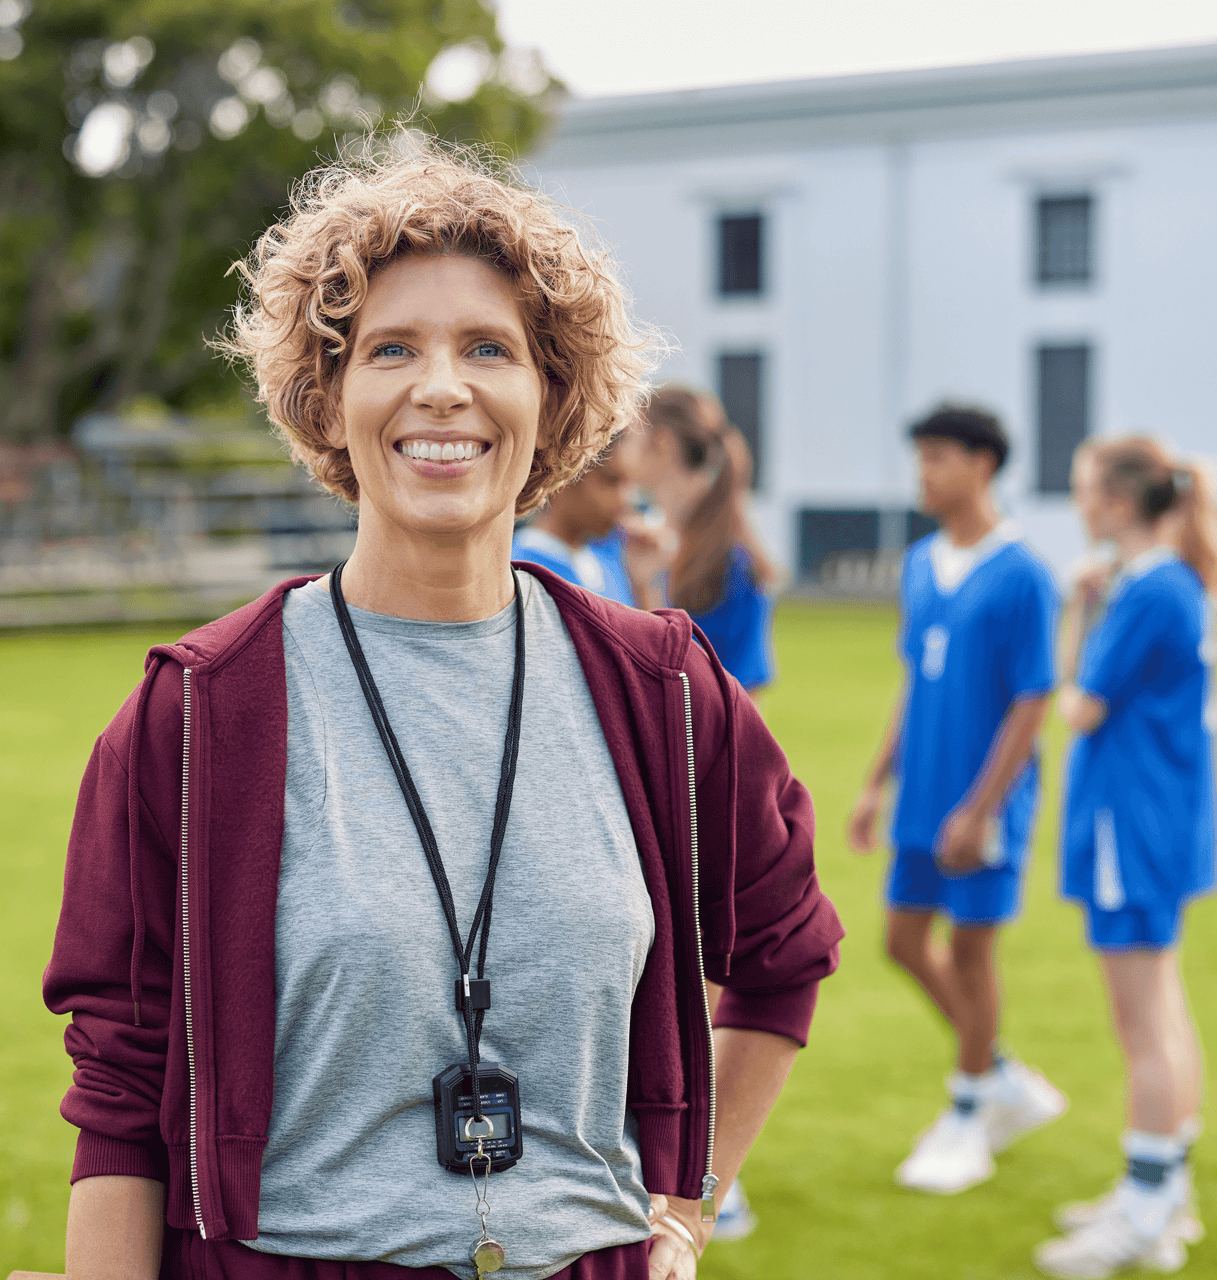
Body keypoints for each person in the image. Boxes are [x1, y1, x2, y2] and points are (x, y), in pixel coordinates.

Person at [43, 143, 844, 1280]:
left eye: (487, 347)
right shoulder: (198, 711)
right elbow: (120, 1083)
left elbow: (784, 948)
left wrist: (686, 1206)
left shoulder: (662, 690)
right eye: (390, 349)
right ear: (325, 396)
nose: (442, 388)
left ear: (550, 391)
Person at [847, 404, 1067, 1195]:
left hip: (983, 805)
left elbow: (1034, 700)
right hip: (922, 797)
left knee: (972, 954)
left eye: (938, 457)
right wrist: (877, 782)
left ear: (982, 464)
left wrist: (982, 809)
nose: (924, 475)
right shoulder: (919, 565)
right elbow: (915, 680)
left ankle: (969, 1114)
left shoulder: (1024, 574)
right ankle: (999, 1072)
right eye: (920, 458)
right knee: (902, 940)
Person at [1033, 437, 1217, 1279]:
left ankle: (1146, 1212)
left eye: (1084, 491)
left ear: (1118, 501)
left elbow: (1077, 703)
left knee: (1142, 1021)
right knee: (1164, 1009)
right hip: (1160, 824)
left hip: (1133, 826)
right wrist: (1089, 601)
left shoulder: (1151, 590)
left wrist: (1080, 610)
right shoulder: (1165, 584)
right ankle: (1162, 1192)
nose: (1079, 506)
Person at [616, 386, 776, 694]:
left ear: (661, 443)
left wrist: (645, 588)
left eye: (630, 436)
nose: (620, 450)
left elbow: (742, 705)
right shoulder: (630, 541)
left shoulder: (736, 571)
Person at [510, 448, 649, 605]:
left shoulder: (611, 559)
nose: (624, 500)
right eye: (610, 481)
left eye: (628, 485)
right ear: (566, 475)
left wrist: (643, 585)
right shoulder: (522, 569)